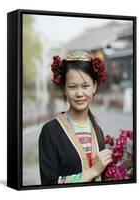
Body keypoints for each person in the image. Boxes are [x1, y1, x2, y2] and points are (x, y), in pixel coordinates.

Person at [39, 51, 112, 185]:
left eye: (85, 86)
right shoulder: (50, 132)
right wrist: (93, 171)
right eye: (72, 87)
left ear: (94, 87)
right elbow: (49, 183)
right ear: (64, 89)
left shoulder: (98, 131)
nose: (79, 93)